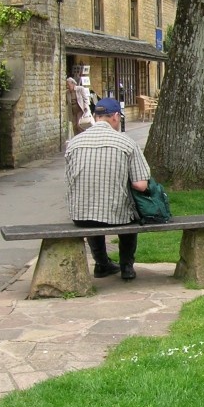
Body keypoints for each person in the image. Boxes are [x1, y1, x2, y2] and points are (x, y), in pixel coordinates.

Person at [65, 97, 150, 281]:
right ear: (115, 117)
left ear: (96, 117)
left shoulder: (74, 143)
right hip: (116, 215)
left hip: (80, 214)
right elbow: (140, 185)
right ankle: (127, 266)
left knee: (92, 213)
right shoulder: (126, 142)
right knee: (129, 216)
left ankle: (102, 263)